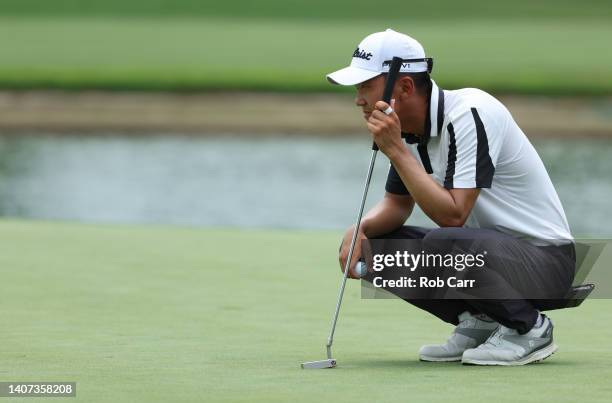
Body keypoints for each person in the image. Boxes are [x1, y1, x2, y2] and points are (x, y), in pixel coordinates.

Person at [328, 29, 575, 366]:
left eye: (365, 86)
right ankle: (480, 321)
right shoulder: (412, 132)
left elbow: (453, 215)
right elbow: (396, 205)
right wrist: (361, 228)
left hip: (546, 263)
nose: (358, 99)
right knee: (375, 247)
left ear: (404, 87)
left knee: (444, 240)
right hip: (490, 257)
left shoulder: (469, 113)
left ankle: (530, 329)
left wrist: (397, 149)